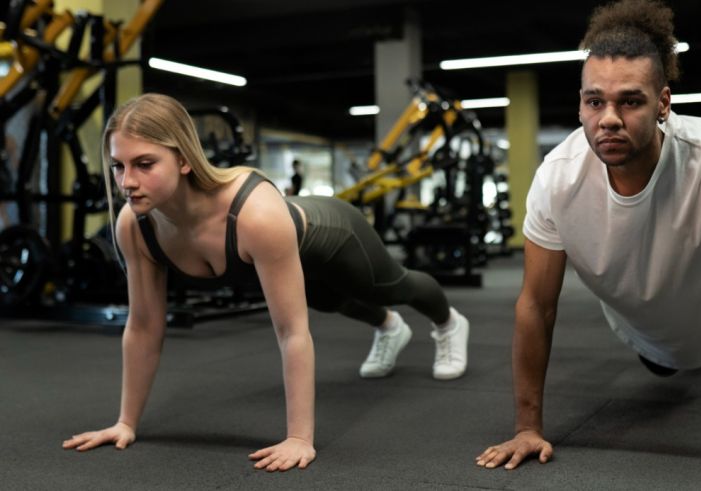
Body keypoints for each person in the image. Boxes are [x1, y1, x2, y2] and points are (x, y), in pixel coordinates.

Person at [475, 1, 701, 490]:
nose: (608, 118)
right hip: (643, 333)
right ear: (580, 104)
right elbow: (535, 306)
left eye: (629, 101)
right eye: (594, 101)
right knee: (662, 363)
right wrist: (528, 428)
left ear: (663, 104)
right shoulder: (557, 179)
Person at [61, 93, 470, 471]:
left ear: (184, 159)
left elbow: (292, 333)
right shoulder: (135, 225)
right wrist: (125, 423)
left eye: (144, 164)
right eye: (119, 165)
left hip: (334, 235)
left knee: (391, 288)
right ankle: (387, 327)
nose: (127, 181)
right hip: (288, 254)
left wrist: (298, 438)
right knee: (326, 299)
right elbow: (144, 326)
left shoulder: (253, 214)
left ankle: (449, 323)